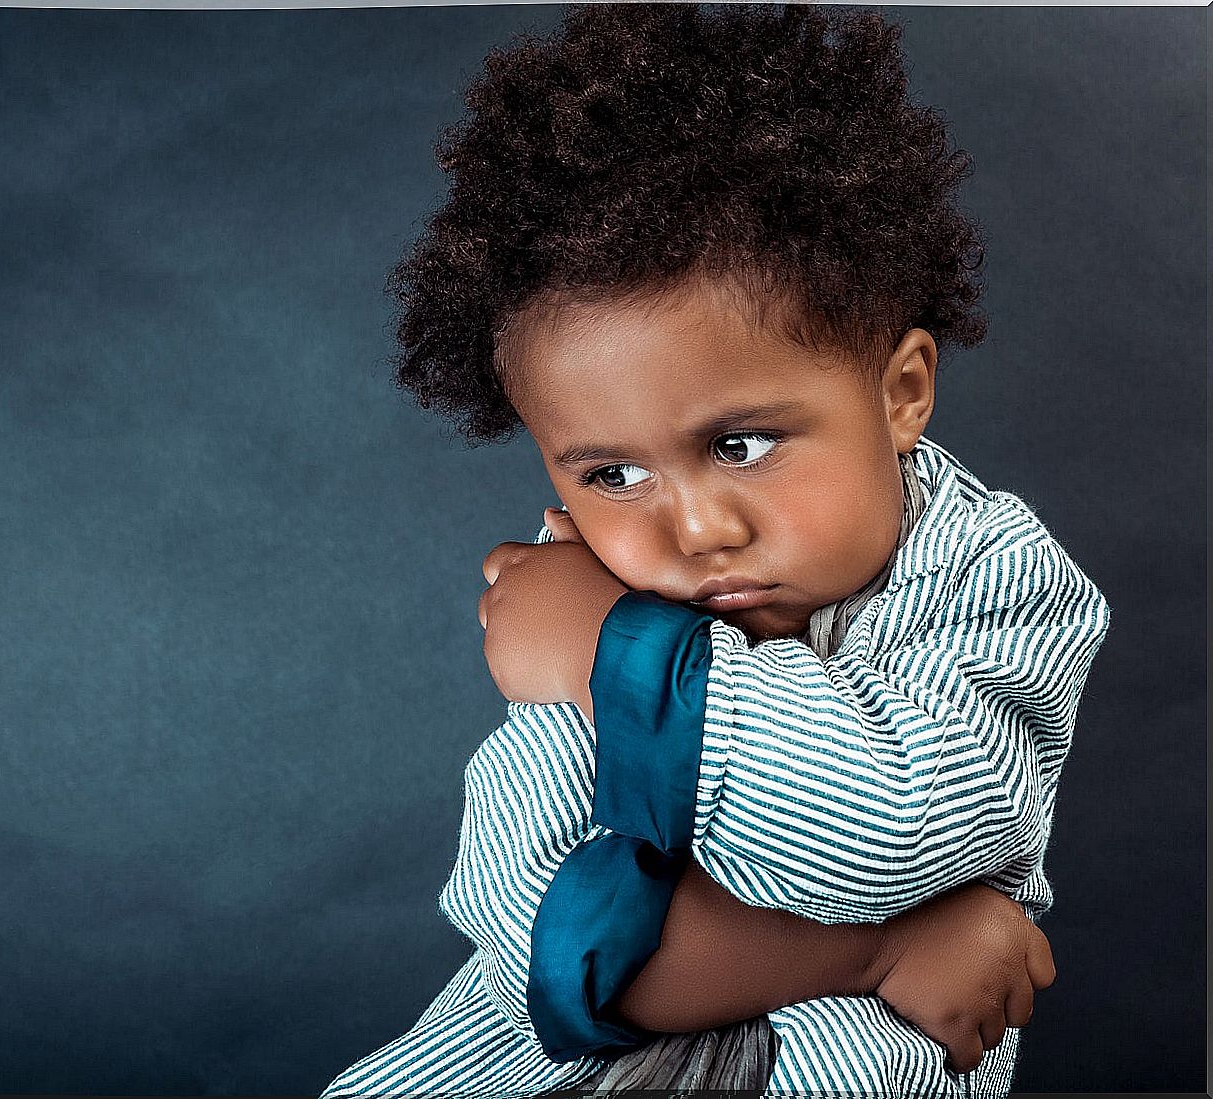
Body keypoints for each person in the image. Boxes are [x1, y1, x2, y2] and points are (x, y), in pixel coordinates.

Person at [322, 4, 1109, 1095]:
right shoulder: (594, 581)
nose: (693, 531)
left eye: (741, 444)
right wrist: (873, 949)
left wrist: (619, 653)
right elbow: (543, 944)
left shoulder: (994, 581)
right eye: (613, 474)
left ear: (899, 392)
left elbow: (886, 826)